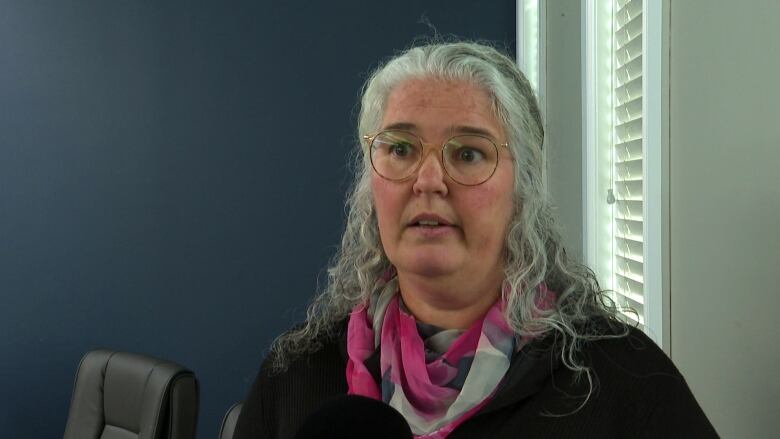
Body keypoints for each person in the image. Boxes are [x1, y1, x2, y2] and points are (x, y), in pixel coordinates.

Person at [234, 41, 717, 438]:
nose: (428, 180)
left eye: (467, 153)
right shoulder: (295, 378)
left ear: (522, 191)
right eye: (400, 148)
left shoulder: (622, 383)